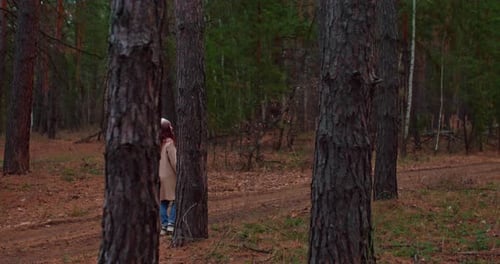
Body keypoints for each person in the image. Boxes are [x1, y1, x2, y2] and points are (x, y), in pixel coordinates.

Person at [159, 118, 177, 236]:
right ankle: (171, 223)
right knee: (176, 199)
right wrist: (180, 172)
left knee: (162, 201)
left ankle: (164, 226)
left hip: (159, 176)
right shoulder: (169, 144)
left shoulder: (157, 144)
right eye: (170, 126)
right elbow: (174, 161)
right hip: (170, 176)